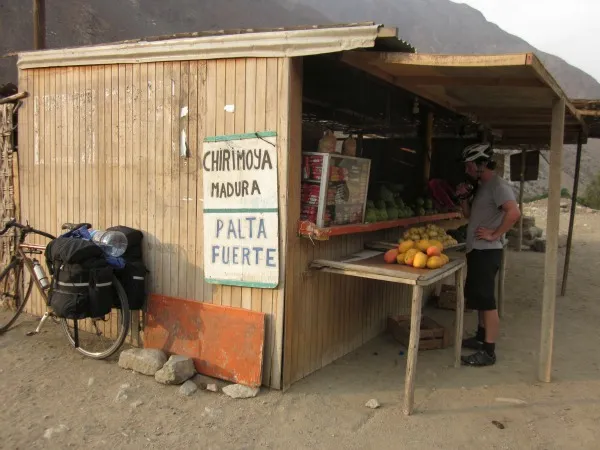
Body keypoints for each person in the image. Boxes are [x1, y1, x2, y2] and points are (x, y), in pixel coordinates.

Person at [456, 143, 521, 367]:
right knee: (480, 299)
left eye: (469, 165)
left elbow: (514, 212)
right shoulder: (482, 186)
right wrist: (463, 198)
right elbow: (468, 215)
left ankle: (489, 352)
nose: (467, 170)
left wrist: (495, 234)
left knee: (487, 301)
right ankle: (480, 336)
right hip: (477, 250)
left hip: (487, 251)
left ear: (480, 164)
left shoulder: (498, 186)